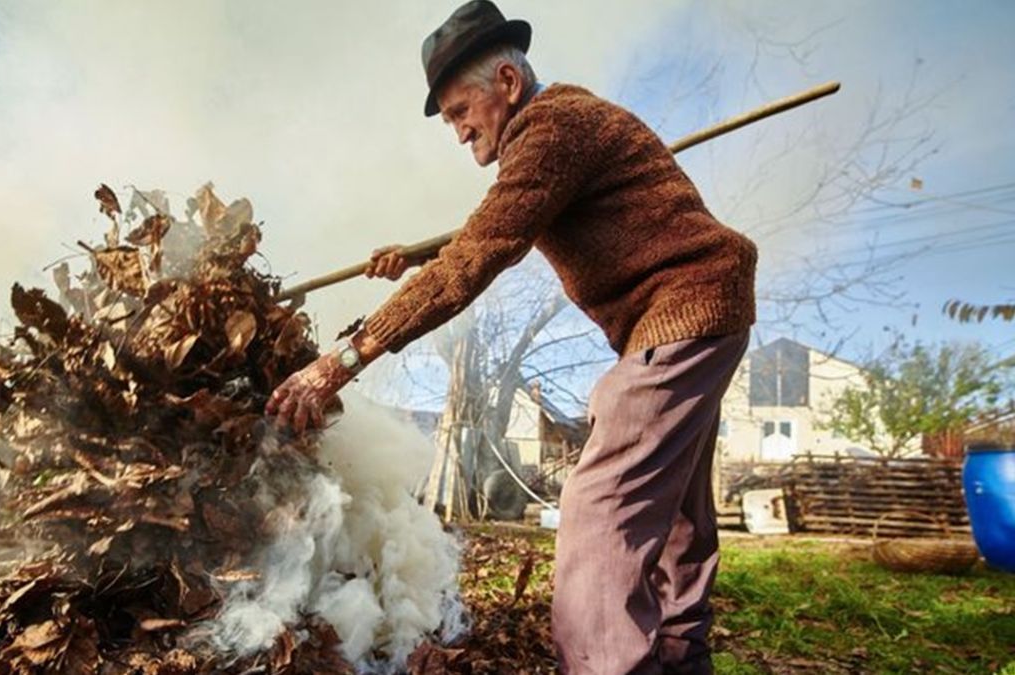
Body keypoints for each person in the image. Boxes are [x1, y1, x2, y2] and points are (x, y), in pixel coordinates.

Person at [267, 2, 757, 673]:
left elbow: (477, 255)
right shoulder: (559, 132)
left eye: (460, 112)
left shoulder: (552, 129)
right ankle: (679, 659)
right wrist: (413, 258)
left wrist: (343, 359)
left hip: (684, 312)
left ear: (506, 81)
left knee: (601, 507)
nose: (459, 132)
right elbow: (483, 231)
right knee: (675, 514)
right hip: (708, 312)